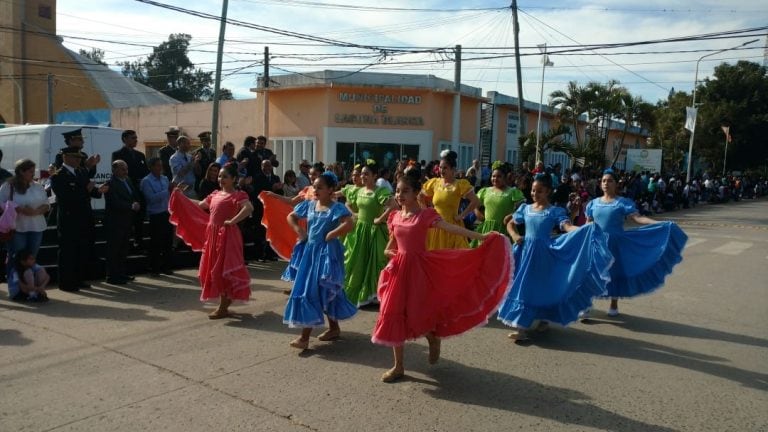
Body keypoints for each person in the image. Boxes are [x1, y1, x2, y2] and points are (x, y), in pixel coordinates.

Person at [373, 168, 512, 383]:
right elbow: (390, 245)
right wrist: (390, 253)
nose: (400, 196)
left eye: (405, 191)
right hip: (399, 271)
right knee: (392, 313)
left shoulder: (425, 215)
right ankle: (398, 366)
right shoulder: (395, 217)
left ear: (416, 193)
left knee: (419, 313)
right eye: (398, 191)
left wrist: (481, 236)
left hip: (420, 270)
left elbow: (451, 229)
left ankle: (433, 338)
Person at [497, 174, 613, 341]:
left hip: (544, 255)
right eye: (533, 190)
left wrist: (584, 230)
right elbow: (510, 223)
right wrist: (514, 235)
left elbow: (567, 227)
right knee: (523, 287)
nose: (535, 194)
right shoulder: (525, 209)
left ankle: (544, 318)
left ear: (548, 192)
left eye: (539, 191)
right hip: (525, 253)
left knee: (543, 287)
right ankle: (520, 328)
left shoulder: (554, 211)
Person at [582, 168, 688, 318]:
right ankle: (586, 304)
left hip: (615, 244)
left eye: (610, 180)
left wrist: (659, 223)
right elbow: (588, 224)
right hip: (596, 244)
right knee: (592, 273)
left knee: (615, 274)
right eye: (604, 180)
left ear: (616, 184)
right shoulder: (592, 204)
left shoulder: (622, 202)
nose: (606, 183)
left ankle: (613, 304)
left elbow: (637, 218)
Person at [169, 164, 254, 319]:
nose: (221, 179)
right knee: (211, 268)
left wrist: (233, 221)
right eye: (220, 176)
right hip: (213, 236)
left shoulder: (238, 195)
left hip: (227, 236)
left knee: (223, 269)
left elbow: (248, 208)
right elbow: (201, 205)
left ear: (234, 179)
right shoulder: (215, 194)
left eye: (225, 176)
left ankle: (223, 307)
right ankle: (224, 305)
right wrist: (181, 197)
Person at [283, 171, 357, 350]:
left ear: (331, 190)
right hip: (310, 253)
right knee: (322, 289)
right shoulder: (309, 205)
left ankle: (304, 338)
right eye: (314, 186)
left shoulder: (336, 207)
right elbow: (291, 216)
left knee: (313, 290)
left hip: (327, 255)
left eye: (320, 187)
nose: (315, 190)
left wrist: (333, 233)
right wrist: (299, 231)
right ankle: (334, 328)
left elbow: (350, 223)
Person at [51, 147, 108, 291]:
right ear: (65, 157)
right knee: (68, 251)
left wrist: (98, 191)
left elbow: (88, 188)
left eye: (79, 158)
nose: (78, 160)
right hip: (69, 219)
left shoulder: (81, 171)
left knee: (81, 250)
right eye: (75, 157)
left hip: (84, 217)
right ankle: (66, 282)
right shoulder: (58, 175)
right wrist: (86, 190)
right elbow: (66, 197)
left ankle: (78, 279)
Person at [342, 161, 395, 307]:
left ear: (374, 176)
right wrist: (354, 214)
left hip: (374, 232)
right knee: (357, 261)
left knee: (374, 262)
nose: (363, 176)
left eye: (367, 174)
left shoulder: (380, 191)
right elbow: (347, 201)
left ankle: (373, 294)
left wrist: (380, 219)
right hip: (359, 231)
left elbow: (393, 205)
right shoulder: (358, 191)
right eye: (362, 174)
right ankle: (360, 292)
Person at [420, 150, 479, 250]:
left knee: (452, 259)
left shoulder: (459, 184)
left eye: (445, 168)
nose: (441, 170)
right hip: (436, 225)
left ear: (453, 169)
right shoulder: (435, 182)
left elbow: (475, 201)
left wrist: (461, 215)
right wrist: (426, 212)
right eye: (440, 167)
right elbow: (420, 196)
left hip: (452, 226)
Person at [0, 159, 50, 266]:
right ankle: (15, 281)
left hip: (37, 228)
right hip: (17, 228)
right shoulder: (8, 186)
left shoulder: (37, 186)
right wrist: (19, 209)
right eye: (31, 171)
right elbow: (1, 203)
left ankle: (28, 281)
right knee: (17, 258)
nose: (33, 174)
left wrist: (35, 212)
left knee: (31, 259)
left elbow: (47, 204)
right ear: (21, 171)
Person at [104, 160, 142, 284]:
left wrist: (136, 203)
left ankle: (121, 273)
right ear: (114, 170)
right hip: (115, 222)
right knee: (114, 250)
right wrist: (131, 206)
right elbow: (115, 203)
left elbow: (134, 195)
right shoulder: (110, 184)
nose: (126, 171)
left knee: (123, 249)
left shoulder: (128, 180)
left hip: (127, 220)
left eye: (126, 169)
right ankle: (112, 276)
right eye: (122, 169)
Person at [471, 161, 524, 247]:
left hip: (504, 229)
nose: (495, 179)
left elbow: (522, 208)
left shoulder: (512, 192)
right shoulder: (485, 191)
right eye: (493, 176)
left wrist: (511, 216)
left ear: (505, 177)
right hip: (487, 229)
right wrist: (478, 213)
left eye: (499, 176)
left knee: (502, 256)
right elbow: (474, 204)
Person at [112, 130, 149, 250]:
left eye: (136, 138)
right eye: (132, 138)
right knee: (127, 219)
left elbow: (145, 172)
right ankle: (127, 243)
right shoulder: (118, 154)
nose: (135, 140)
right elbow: (118, 173)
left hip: (139, 190)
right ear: (125, 139)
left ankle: (138, 241)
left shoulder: (140, 155)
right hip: (126, 189)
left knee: (139, 217)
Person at [140, 158, 174, 275]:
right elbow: (151, 199)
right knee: (156, 243)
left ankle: (166, 266)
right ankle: (155, 268)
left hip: (167, 213)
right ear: (151, 167)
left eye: (161, 165)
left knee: (167, 242)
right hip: (156, 214)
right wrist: (167, 191)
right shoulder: (146, 181)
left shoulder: (165, 179)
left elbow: (169, 196)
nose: (160, 168)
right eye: (157, 166)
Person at [252, 159, 283, 261]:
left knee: (272, 231)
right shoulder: (257, 177)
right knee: (261, 232)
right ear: (261, 167)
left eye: (269, 166)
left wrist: (279, 188)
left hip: (273, 208)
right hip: (261, 208)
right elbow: (257, 192)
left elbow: (280, 194)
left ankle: (271, 254)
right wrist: (271, 187)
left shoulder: (275, 177)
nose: (267, 168)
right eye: (265, 166)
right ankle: (260, 254)